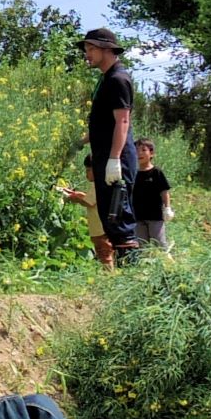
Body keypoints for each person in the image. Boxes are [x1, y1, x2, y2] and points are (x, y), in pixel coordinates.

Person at [60, 28, 139, 265]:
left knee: (119, 217)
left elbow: (122, 121)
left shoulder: (118, 79)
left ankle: (135, 276)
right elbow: (104, 124)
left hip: (117, 160)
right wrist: (80, 142)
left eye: (91, 49)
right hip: (105, 157)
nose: (87, 54)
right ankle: (126, 277)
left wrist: (115, 159)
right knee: (109, 218)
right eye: (86, 49)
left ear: (107, 49)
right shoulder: (106, 79)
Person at [132, 138, 172, 250]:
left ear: (151, 153)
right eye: (136, 151)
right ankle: (146, 265)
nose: (139, 153)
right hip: (138, 216)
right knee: (142, 245)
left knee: (159, 243)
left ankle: (167, 264)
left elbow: (164, 191)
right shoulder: (133, 174)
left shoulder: (156, 172)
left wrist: (167, 208)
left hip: (155, 216)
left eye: (143, 150)